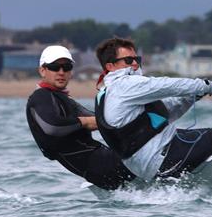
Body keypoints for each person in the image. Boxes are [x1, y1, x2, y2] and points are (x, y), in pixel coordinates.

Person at [94, 37, 212, 181]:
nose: (135, 63)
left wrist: (196, 94)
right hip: (162, 158)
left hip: (150, 166)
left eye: (137, 59)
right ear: (110, 66)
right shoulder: (124, 85)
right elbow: (169, 85)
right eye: (128, 60)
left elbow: (168, 110)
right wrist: (210, 86)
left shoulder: (108, 93)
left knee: (207, 137)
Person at [26, 45, 135, 190]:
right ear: (42, 70)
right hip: (102, 168)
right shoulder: (41, 96)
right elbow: (52, 127)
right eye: (55, 67)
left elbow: (99, 119)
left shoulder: (61, 98)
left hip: (104, 165)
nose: (61, 72)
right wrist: (86, 122)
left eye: (66, 67)